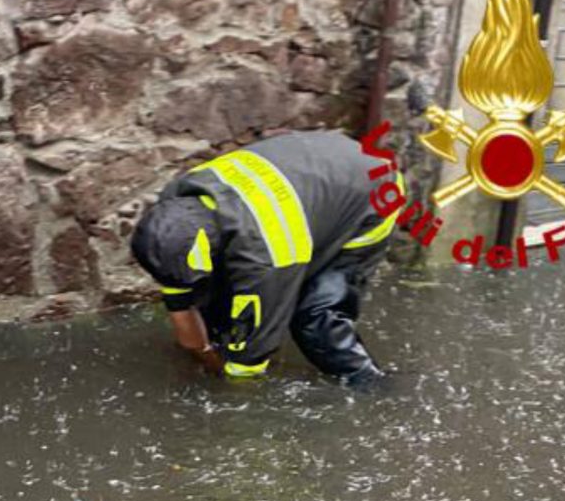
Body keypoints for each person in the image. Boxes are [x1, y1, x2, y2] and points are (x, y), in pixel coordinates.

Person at [126, 129, 395, 388]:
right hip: (319, 161)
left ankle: (373, 388)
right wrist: (200, 345)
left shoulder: (266, 260)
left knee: (314, 318)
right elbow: (179, 291)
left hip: (372, 193)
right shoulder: (176, 200)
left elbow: (251, 359)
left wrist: (234, 397)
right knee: (220, 300)